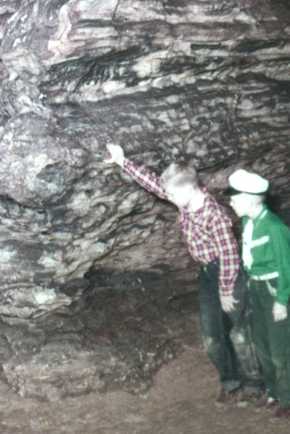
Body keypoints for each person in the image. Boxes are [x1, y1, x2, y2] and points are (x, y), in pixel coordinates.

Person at [104, 144, 265, 406]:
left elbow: (229, 254)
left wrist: (226, 290)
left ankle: (255, 385)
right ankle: (231, 382)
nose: (168, 196)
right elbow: (155, 185)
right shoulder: (184, 199)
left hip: (228, 273)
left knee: (241, 333)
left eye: (172, 193)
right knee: (212, 337)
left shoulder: (214, 214)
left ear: (188, 188)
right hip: (206, 273)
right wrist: (122, 161)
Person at [226, 169, 290, 421]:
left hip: (275, 288)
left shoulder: (275, 227)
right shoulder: (249, 223)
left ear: (249, 200)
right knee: (263, 346)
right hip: (256, 287)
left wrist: (281, 301)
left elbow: (286, 268)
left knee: (281, 348)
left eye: (234, 199)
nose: (231, 202)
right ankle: (274, 393)